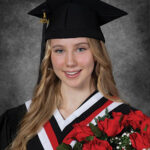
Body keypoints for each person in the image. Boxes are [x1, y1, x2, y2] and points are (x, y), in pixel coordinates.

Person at [0, 0, 149, 150]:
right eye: (59, 50)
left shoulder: (126, 121)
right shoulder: (17, 120)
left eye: (81, 49)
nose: (70, 62)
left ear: (97, 54)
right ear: (49, 56)